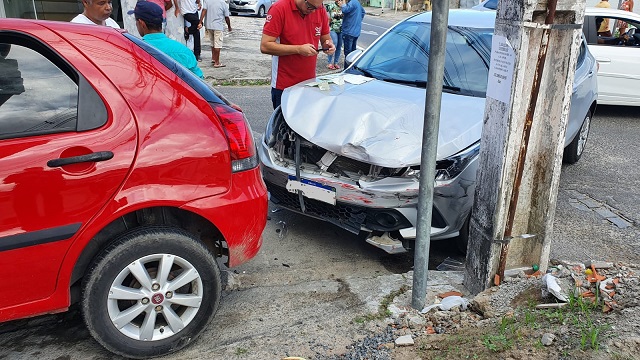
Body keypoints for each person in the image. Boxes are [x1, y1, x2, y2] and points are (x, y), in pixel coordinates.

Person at [260, 0, 336, 109]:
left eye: (317, 8)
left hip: (309, 83)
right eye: (310, 7)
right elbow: (265, 46)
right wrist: (298, 49)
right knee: (283, 124)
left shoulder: (319, 9)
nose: (313, 11)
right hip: (284, 85)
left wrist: (328, 45)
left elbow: (326, 38)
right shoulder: (279, 8)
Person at [129, 1, 204, 78]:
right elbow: (200, 84)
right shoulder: (185, 51)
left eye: (136, 21)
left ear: (142, 23)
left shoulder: (135, 52)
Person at [200, 0, 232, 68]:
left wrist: (200, 22)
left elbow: (204, 11)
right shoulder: (223, 3)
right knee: (218, 43)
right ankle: (217, 62)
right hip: (218, 26)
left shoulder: (207, 1)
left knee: (212, 42)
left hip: (208, 25)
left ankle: (214, 58)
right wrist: (229, 26)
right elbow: (227, 17)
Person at [325, 0, 343, 70]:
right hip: (333, 29)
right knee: (334, 44)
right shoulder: (331, 5)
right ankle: (329, 62)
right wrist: (327, 19)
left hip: (341, 29)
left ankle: (336, 62)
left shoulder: (343, 6)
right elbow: (321, 10)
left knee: (339, 46)